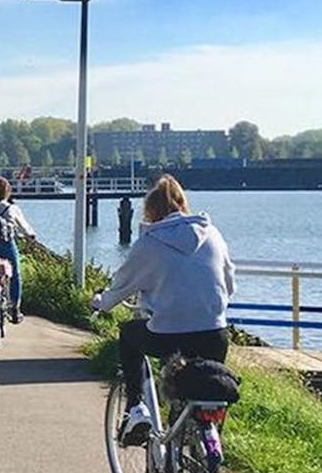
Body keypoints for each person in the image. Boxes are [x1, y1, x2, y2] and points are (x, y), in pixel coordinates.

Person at [91, 175, 235, 446]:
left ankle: (135, 408)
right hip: (215, 334)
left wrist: (99, 302)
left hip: (169, 335)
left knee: (129, 335)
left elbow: (120, 288)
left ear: (150, 211)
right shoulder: (213, 234)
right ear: (183, 204)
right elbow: (229, 284)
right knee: (200, 390)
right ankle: (201, 448)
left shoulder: (149, 243)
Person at [0, 177, 37, 323]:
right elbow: (24, 227)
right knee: (15, 274)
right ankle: (15, 307)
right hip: (6, 244)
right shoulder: (12, 208)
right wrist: (30, 236)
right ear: (7, 192)